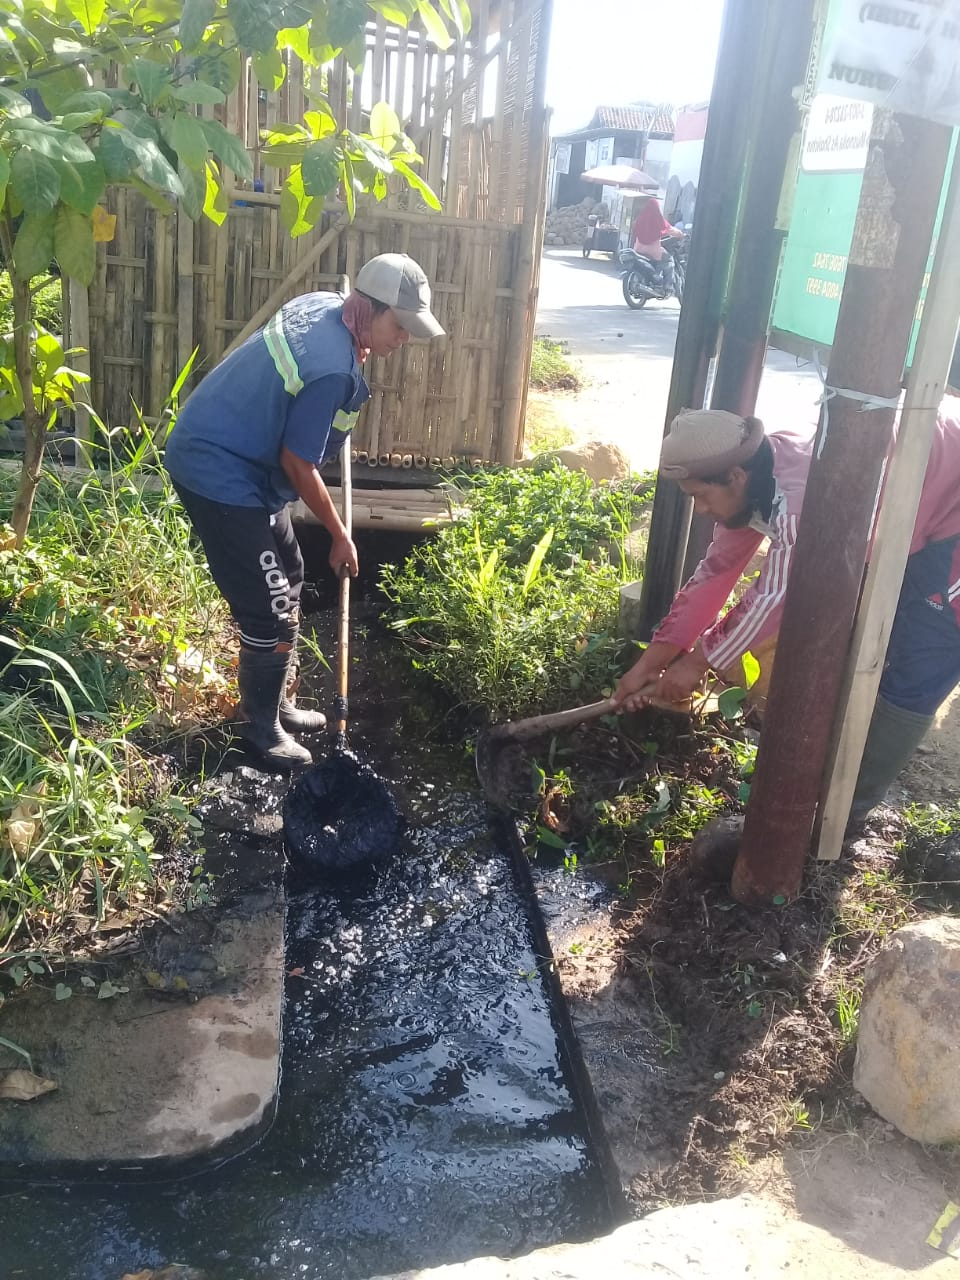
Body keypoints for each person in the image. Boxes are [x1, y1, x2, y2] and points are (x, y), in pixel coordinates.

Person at [612, 394, 960, 823]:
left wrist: (697, 663)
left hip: (952, 507)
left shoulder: (797, 503)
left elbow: (775, 595)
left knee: (922, 659)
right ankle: (835, 767)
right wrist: (653, 660)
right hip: (910, 497)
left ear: (735, 476)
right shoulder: (760, 476)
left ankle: (841, 815)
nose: (700, 510)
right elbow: (716, 572)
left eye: (701, 496)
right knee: (874, 643)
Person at [164, 253, 445, 770]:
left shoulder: (325, 307)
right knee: (268, 605)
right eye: (400, 326)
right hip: (218, 469)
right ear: (369, 308)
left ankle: (278, 704)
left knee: (291, 573)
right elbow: (298, 461)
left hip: (249, 463)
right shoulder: (331, 369)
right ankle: (260, 729)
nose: (404, 339)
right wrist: (341, 533)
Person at [630, 194, 684, 291]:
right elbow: (669, 229)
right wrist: (680, 234)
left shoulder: (640, 218)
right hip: (652, 250)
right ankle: (668, 285)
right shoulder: (657, 218)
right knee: (669, 259)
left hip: (638, 249)